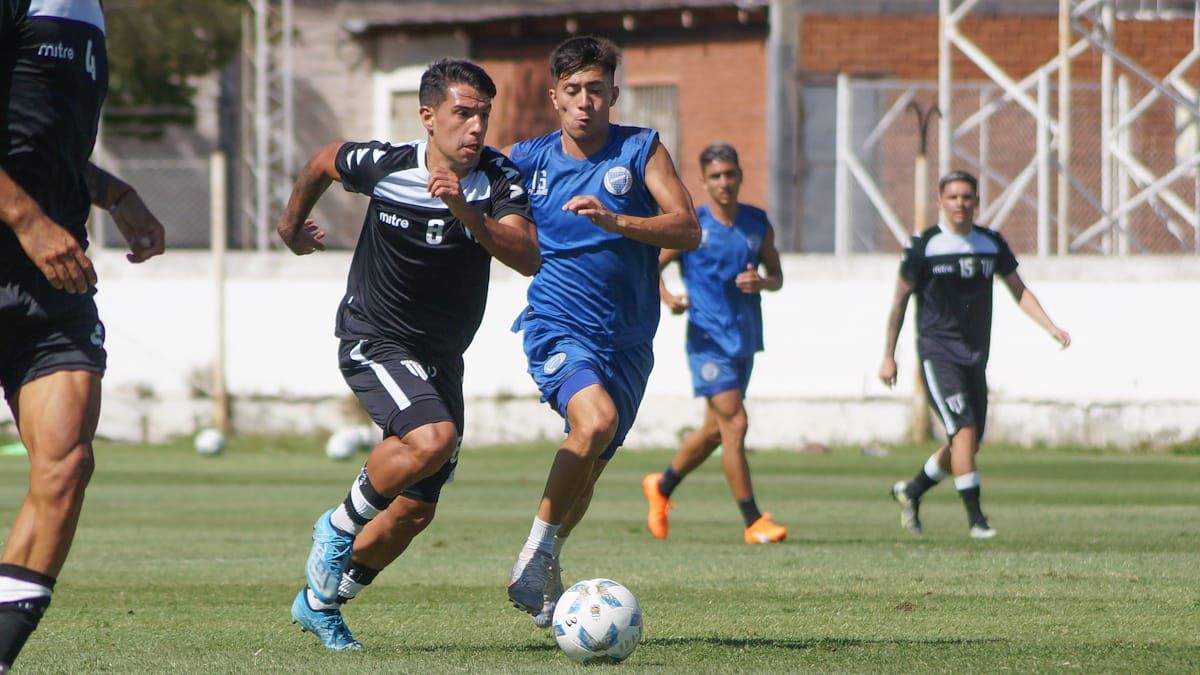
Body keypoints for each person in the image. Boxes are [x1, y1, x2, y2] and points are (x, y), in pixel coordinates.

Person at [276, 59, 538, 651]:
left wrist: (466, 211)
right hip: (375, 338)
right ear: (428, 117)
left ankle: (321, 602)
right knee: (431, 439)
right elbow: (324, 159)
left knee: (415, 511)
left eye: (484, 116)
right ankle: (336, 526)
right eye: (462, 113)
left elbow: (526, 254)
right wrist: (292, 227)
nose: (476, 128)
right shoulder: (388, 166)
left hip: (440, 357)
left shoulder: (497, 179)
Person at [503, 36, 700, 628]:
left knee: (590, 460)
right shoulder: (526, 160)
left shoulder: (642, 150)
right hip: (558, 323)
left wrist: (617, 220)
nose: (585, 101)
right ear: (554, 97)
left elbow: (687, 228)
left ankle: (550, 561)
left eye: (595, 89)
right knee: (595, 423)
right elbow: (473, 198)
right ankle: (533, 555)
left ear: (613, 92)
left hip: (630, 340)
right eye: (573, 91)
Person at [0, 1, 166, 669]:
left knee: (66, 464)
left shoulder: (89, 14)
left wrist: (115, 193)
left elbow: (44, 148)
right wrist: (27, 220)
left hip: (52, 284)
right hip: (35, 240)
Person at [879, 170, 1070, 539]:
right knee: (963, 431)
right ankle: (976, 520)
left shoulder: (990, 244)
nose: (960, 204)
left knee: (967, 442)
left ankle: (911, 491)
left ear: (977, 202)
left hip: (975, 357)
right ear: (939, 201)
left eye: (967, 197)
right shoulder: (924, 247)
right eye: (953, 197)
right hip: (937, 354)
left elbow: (1020, 290)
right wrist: (889, 354)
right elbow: (900, 301)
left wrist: (1050, 327)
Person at [642, 142, 787, 545]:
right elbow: (650, 267)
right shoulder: (694, 226)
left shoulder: (757, 223)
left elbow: (777, 275)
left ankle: (662, 486)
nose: (724, 182)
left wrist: (763, 281)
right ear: (703, 182)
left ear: (740, 176)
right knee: (736, 423)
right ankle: (752, 520)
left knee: (714, 430)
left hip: (744, 338)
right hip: (706, 340)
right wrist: (669, 298)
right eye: (716, 176)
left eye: (730, 174)